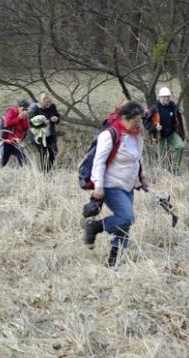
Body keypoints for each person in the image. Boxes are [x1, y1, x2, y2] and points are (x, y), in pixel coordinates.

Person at [83, 101, 149, 267]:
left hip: (128, 185)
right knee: (127, 217)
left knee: (124, 224)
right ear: (125, 119)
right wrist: (98, 186)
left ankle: (114, 259)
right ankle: (95, 227)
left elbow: (137, 159)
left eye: (140, 121)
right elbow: (99, 162)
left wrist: (142, 178)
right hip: (111, 185)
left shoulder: (136, 135)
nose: (139, 124)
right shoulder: (110, 134)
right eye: (136, 121)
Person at [143, 87, 186, 175]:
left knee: (181, 146)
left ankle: (175, 168)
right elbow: (145, 121)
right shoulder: (154, 108)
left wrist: (182, 134)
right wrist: (154, 128)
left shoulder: (173, 107)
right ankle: (162, 176)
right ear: (160, 97)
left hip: (171, 133)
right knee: (161, 158)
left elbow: (179, 120)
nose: (166, 98)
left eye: (168, 96)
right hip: (159, 136)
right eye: (164, 97)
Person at [29, 93, 61, 172]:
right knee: (44, 155)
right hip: (39, 136)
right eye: (46, 103)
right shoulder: (35, 109)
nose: (48, 104)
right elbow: (30, 123)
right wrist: (43, 124)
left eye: (50, 102)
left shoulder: (52, 107)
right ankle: (44, 173)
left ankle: (48, 171)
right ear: (41, 102)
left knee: (54, 152)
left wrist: (56, 119)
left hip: (50, 135)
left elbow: (57, 116)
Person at [1, 99, 30, 167]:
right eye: (23, 108)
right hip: (8, 141)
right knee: (3, 161)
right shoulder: (11, 112)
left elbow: (25, 128)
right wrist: (19, 118)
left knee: (23, 160)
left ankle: (23, 175)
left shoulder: (25, 115)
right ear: (19, 107)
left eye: (26, 109)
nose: (25, 111)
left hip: (18, 142)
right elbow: (7, 124)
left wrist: (24, 119)